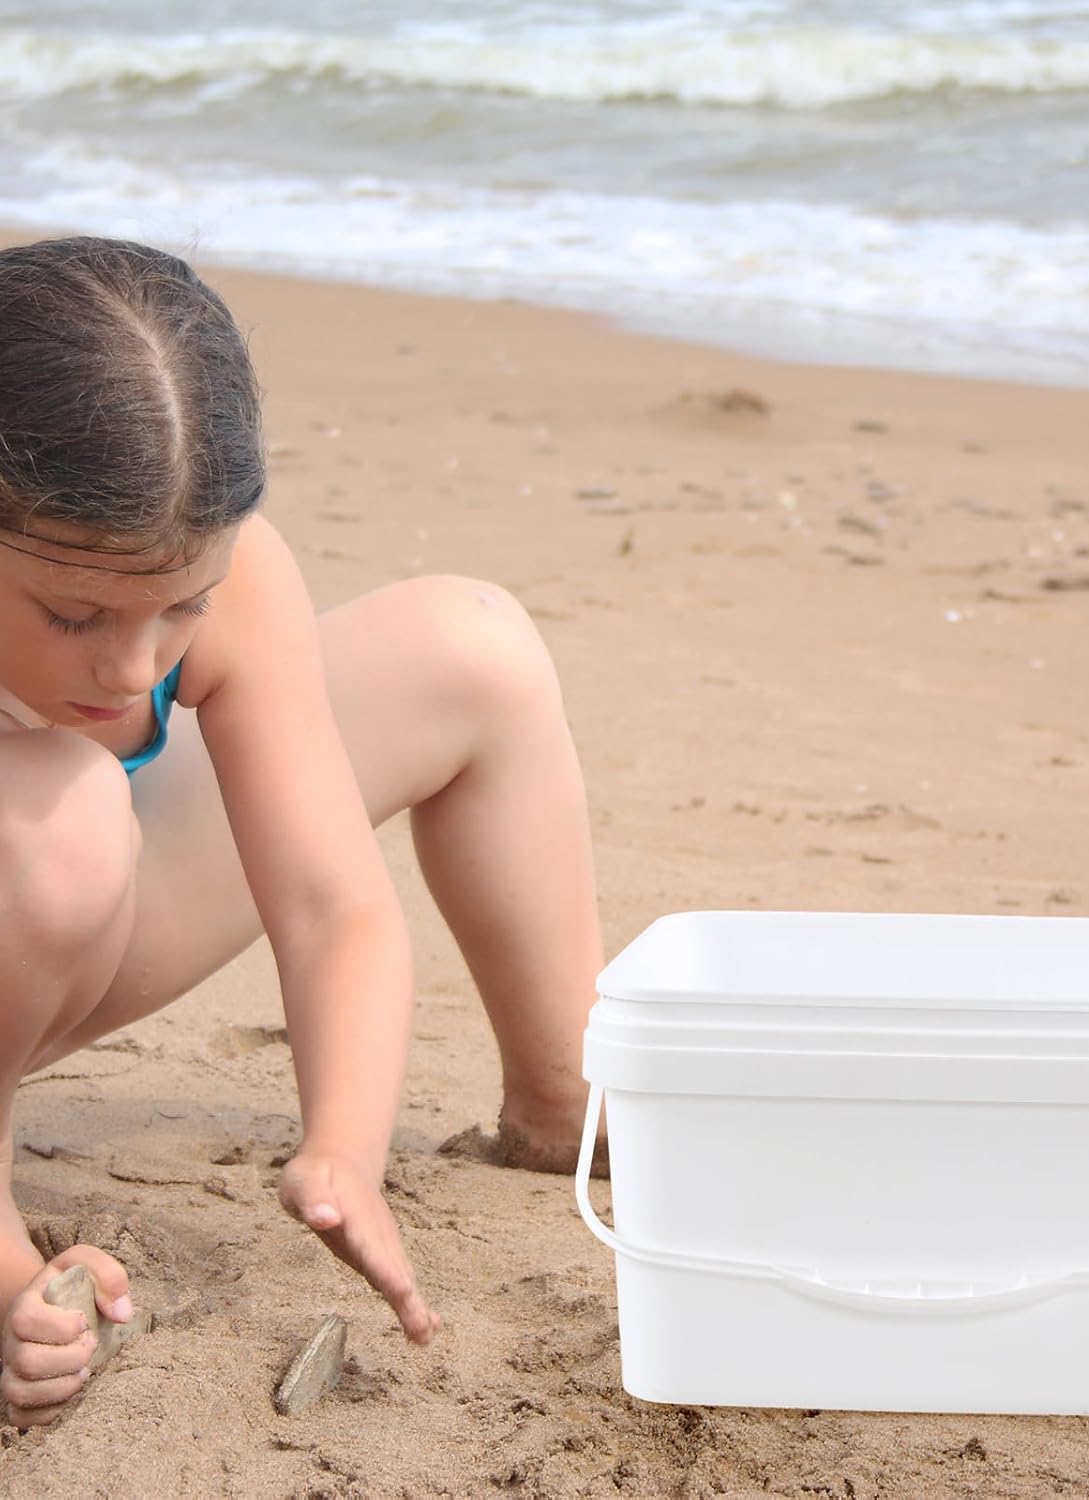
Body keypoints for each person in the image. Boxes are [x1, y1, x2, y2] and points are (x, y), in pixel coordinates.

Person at [0, 236, 604, 1427]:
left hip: (71, 920)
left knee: (470, 645)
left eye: (184, 604)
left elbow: (335, 908)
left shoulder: (211, 578)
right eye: (74, 613)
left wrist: (343, 1147)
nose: (132, 666)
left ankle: (571, 1115)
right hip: (42, 870)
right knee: (61, 818)